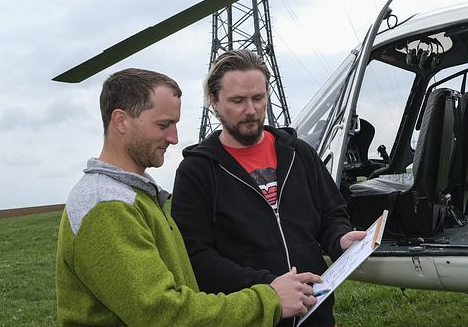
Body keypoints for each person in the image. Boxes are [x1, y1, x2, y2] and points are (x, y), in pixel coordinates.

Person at [55, 68, 320, 326]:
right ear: (121, 121)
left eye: (175, 124)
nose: (174, 138)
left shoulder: (133, 194)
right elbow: (163, 314)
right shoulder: (107, 206)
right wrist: (269, 300)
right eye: (163, 125)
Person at [171, 50, 366, 327]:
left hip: (316, 313)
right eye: (237, 100)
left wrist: (339, 239)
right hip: (252, 317)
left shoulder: (299, 153)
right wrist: (269, 288)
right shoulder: (197, 171)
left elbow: (331, 214)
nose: (250, 110)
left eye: (258, 98)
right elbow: (196, 256)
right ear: (213, 101)